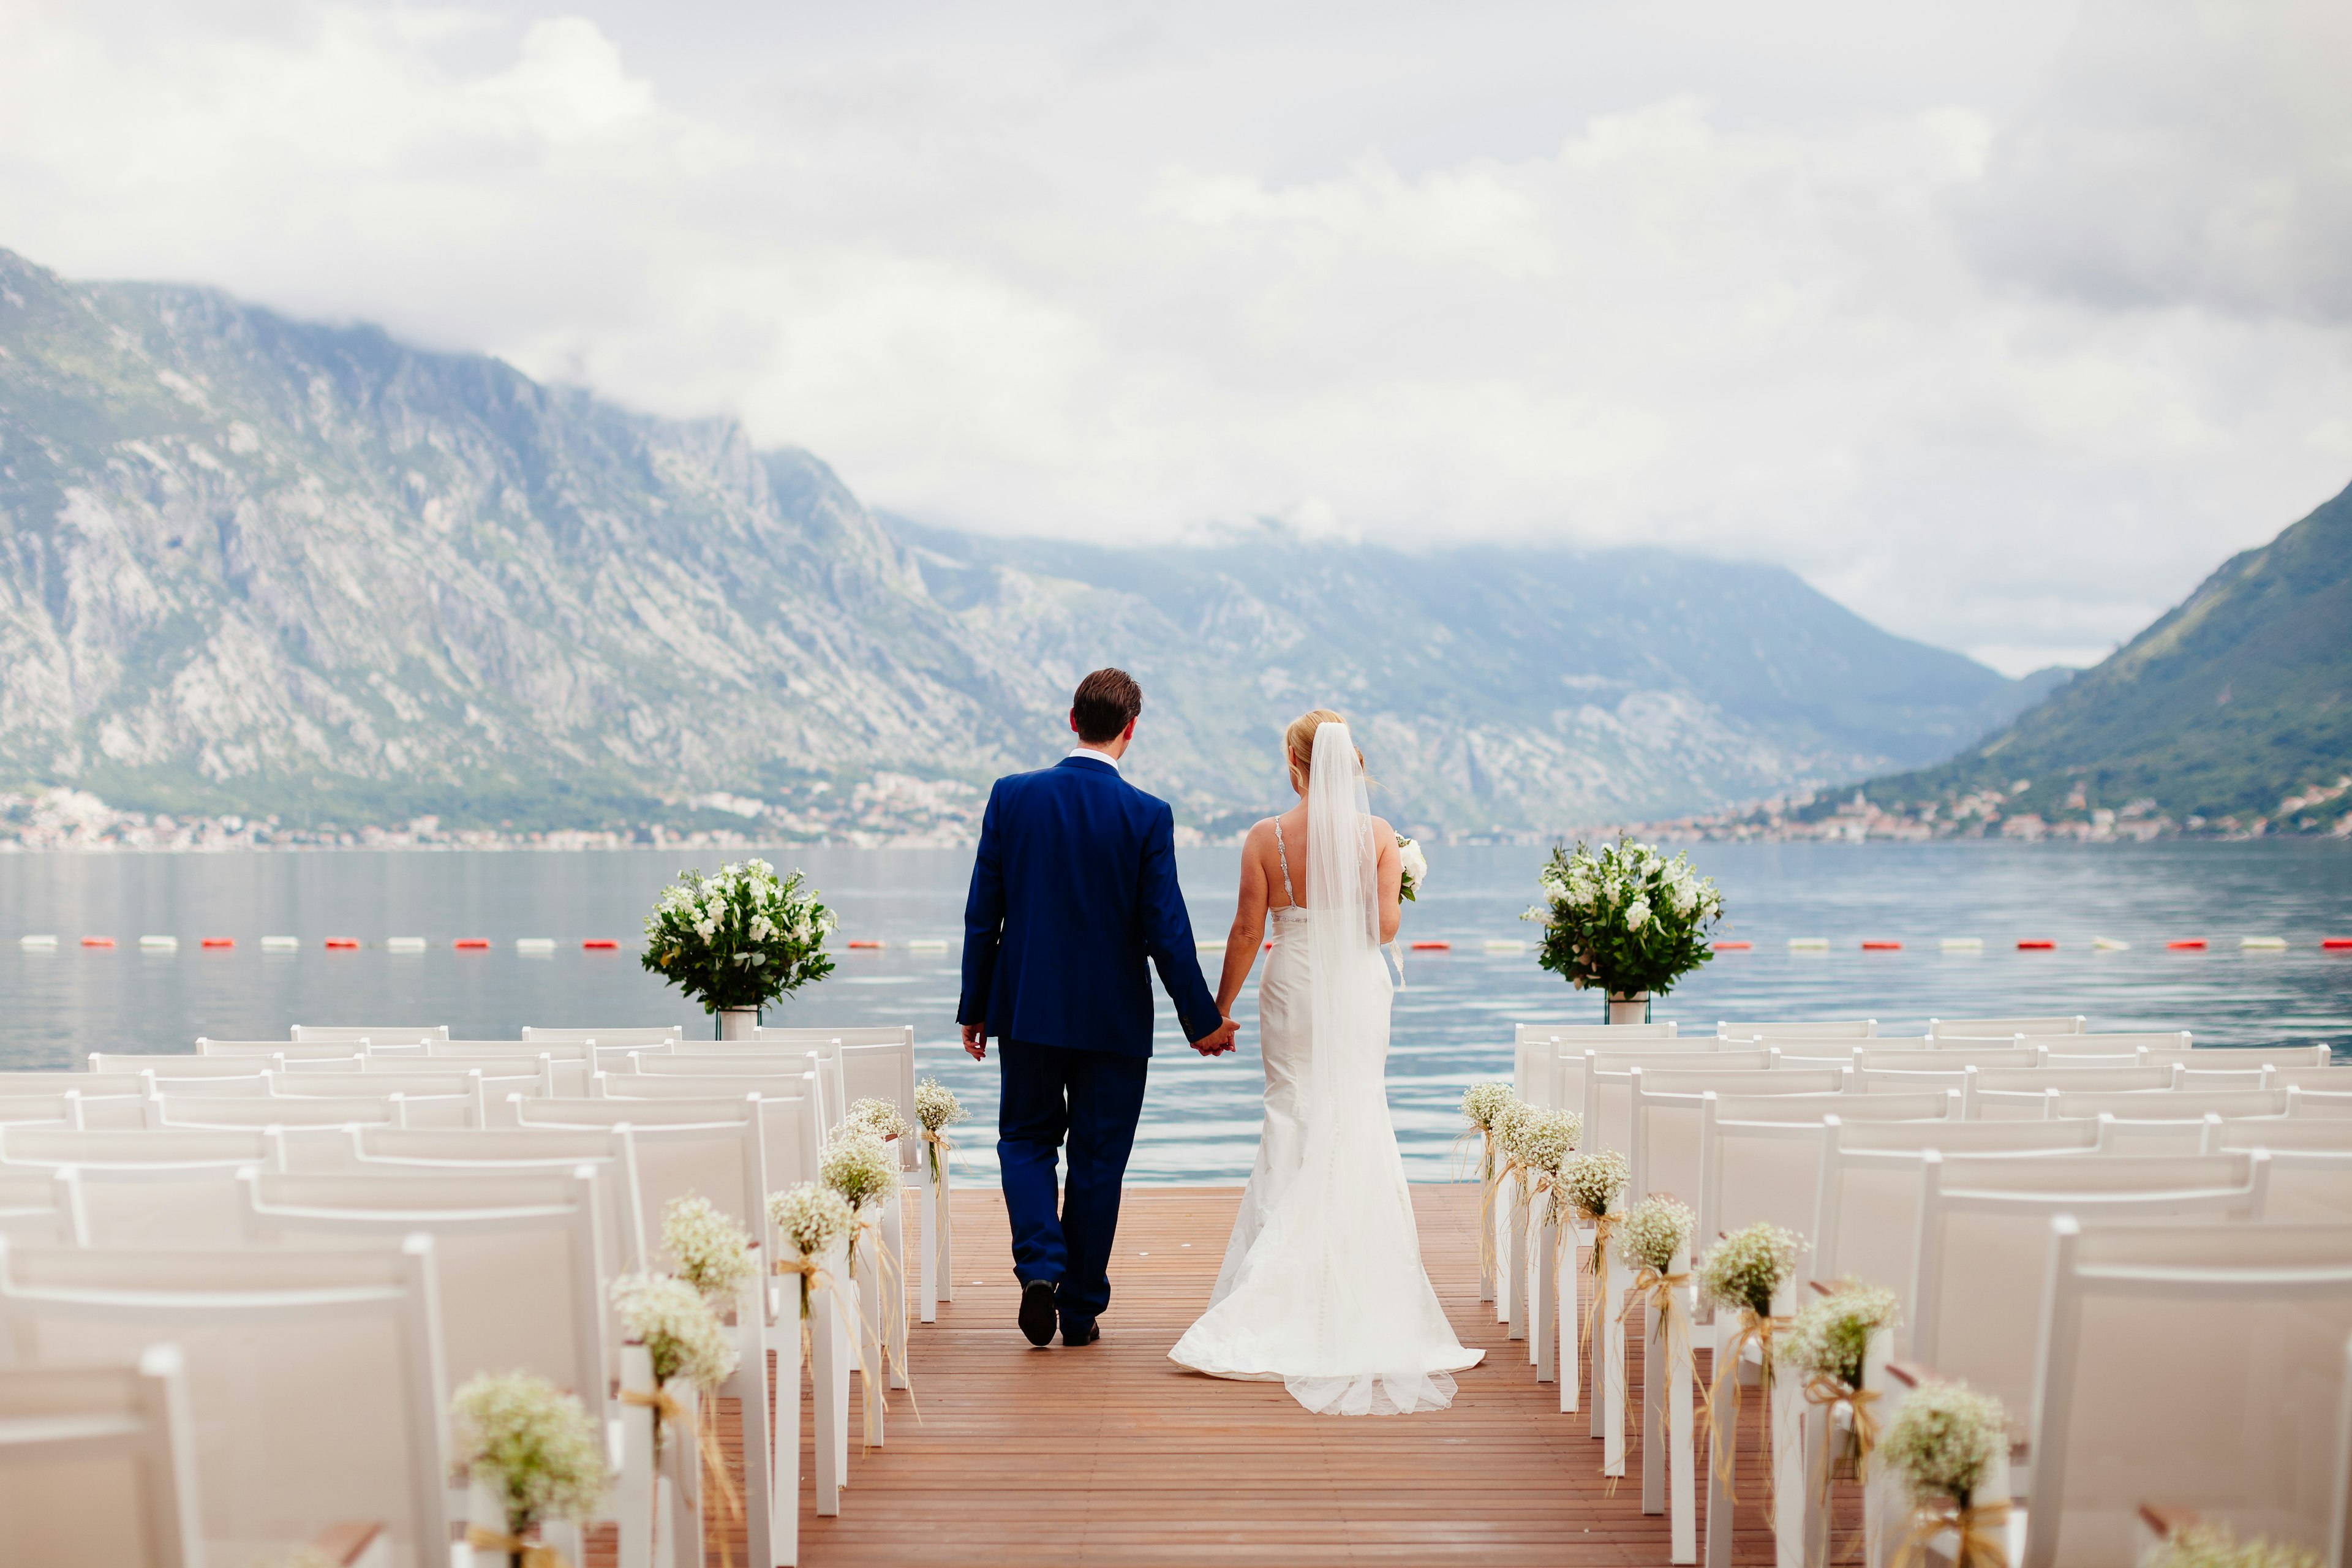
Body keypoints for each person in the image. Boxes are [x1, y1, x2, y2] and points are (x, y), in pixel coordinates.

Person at [1167, 709, 1481, 1414]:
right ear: (1354, 765)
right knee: (1358, 1112)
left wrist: (1216, 1011)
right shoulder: (1376, 836)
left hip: (1292, 983)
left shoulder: (1265, 837)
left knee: (1292, 1113)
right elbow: (1386, 926)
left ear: (1294, 763)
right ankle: (1358, 1290)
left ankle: (1273, 1289)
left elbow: (1249, 929)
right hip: (1356, 987)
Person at [959, 668, 1240, 1349]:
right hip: (1113, 1019)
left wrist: (976, 1005)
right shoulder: (1146, 814)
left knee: (1025, 1141)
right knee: (1097, 1160)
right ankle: (1079, 1307)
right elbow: (1165, 929)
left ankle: (1039, 1269)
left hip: (1025, 1009)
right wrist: (1203, 1021)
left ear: (1072, 719)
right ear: (1131, 729)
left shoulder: (1012, 797)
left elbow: (981, 916)